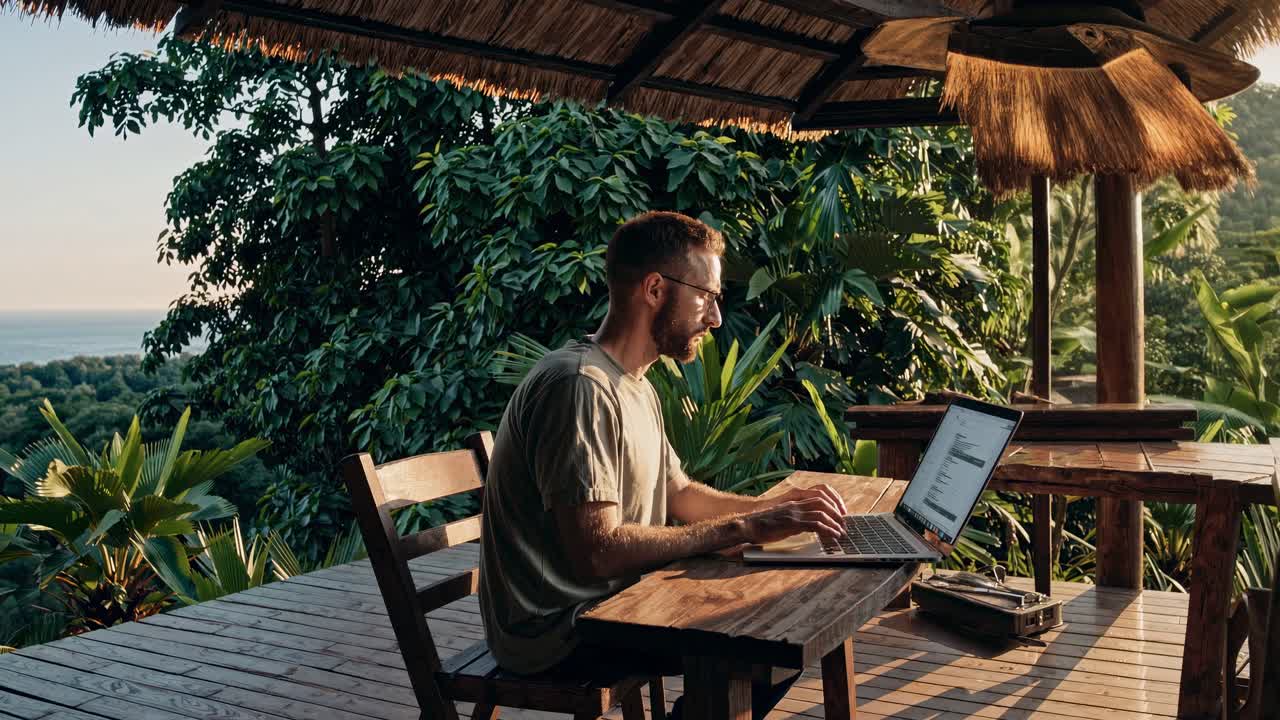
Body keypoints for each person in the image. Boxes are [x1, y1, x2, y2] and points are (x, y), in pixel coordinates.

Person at [478, 211, 849, 719]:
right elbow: (598, 553)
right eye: (708, 297)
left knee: (784, 627)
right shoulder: (580, 387)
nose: (716, 318)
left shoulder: (636, 384)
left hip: (612, 605)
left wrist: (775, 510)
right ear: (654, 289)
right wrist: (744, 526)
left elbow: (679, 493)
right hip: (557, 632)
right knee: (761, 645)